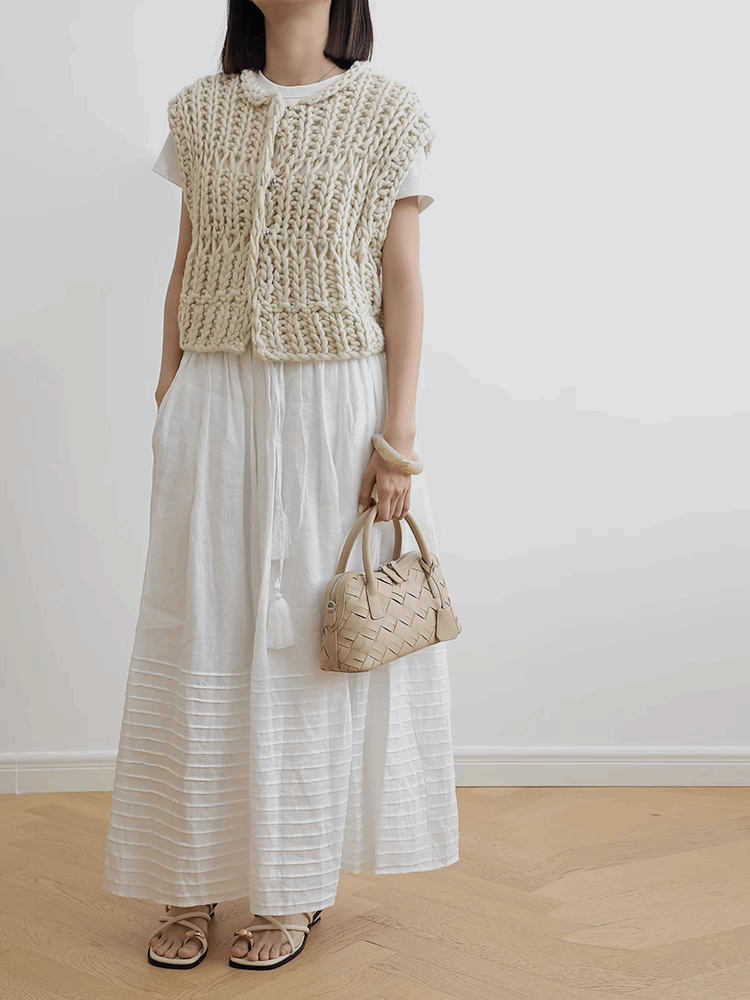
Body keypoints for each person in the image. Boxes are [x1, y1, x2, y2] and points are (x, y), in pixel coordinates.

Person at [103, 0, 460, 972]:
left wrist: (398, 438)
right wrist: (168, 391)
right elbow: (187, 264)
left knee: (303, 641)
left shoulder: (388, 113)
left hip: (332, 408)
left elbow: (402, 284)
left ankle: (291, 884)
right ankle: (188, 875)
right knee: (198, 623)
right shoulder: (201, 110)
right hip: (215, 398)